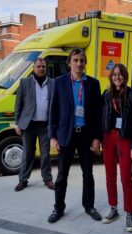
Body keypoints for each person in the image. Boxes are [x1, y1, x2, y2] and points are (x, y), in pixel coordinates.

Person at [47, 48, 102, 223]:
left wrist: (96, 137)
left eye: (82, 60)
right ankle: (58, 208)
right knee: (62, 174)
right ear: (69, 62)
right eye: (76, 60)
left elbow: (97, 113)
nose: (79, 64)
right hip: (65, 135)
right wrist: (53, 137)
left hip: (85, 135)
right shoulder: (59, 82)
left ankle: (89, 206)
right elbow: (53, 111)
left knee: (88, 174)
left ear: (85, 63)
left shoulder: (93, 84)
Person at [101, 64, 132, 232]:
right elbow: (101, 117)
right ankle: (113, 209)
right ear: (111, 77)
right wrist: (99, 140)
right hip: (108, 137)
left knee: (126, 178)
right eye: (114, 74)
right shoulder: (106, 94)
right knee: (109, 176)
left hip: (125, 138)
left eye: (120, 74)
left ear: (125, 76)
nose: (117, 77)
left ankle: (129, 213)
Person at [14, 58, 54, 191]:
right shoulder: (25, 82)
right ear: (33, 67)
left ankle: (47, 179)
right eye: (38, 66)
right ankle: (23, 180)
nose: (41, 69)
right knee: (27, 154)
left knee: (45, 155)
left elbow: (55, 106)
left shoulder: (52, 83)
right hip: (29, 125)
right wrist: (18, 124)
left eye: (43, 66)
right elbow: (18, 104)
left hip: (45, 126)